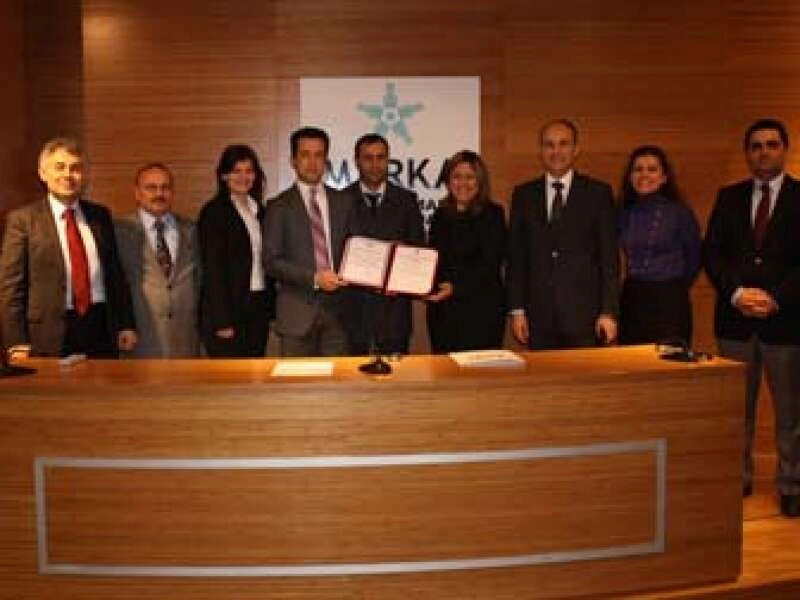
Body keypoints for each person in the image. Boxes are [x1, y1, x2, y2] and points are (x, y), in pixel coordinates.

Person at [704, 118, 800, 517]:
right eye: (756, 146)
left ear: (784, 149)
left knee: (790, 412)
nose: (764, 152)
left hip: (786, 324)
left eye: (771, 144)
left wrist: (775, 299)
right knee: (735, 410)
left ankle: (792, 484)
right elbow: (712, 254)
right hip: (735, 322)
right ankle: (737, 478)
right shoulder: (729, 197)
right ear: (748, 153)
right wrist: (738, 294)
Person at [0, 137, 136, 357]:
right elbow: (10, 287)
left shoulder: (100, 216)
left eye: (75, 168)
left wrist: (125, 324)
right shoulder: (22, 220)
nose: (68, 175)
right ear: (43, 174)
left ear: (84, 175)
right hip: (47, 333)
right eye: (59, 167)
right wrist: (16, 341)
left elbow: (115, 275)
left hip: (100, 327)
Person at [508, 119, 619, 350]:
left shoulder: (598, 193)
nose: (556, 151)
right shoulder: (523, 195)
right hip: (538, 318)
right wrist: (517, 311)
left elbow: (609, 258)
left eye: (563, 144)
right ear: (541, 150)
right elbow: (517, 258)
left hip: (585, 318)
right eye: (549, 145)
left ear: (576, 149)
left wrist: (608, 311)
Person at [263, 126, 356, 356]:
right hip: (296, 316)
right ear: (293, 160)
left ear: (326, 160)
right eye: (305, 155)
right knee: (297, 379)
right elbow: (271, 261)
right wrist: (314, 278)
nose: (313, 163)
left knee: (339, 378)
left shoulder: (344, 202)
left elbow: (356, 249)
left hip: (339, 316)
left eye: (319, 155)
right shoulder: (278, 206)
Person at [342, 133, 425, 355]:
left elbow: (420, 250)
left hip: (394, 314)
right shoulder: (340, 200)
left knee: (397, 376)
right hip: (353, 312)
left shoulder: (407, 201)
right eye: (368, 158)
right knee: (352, 375)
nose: (375, 164)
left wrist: (404, 255)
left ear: (388, 160)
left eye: (381, 157)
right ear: (357, 161)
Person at [617, 146, 701, 345]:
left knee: (668, 360)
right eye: (638, 169)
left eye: (652, 169)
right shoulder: (622, 212)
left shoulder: (680, 213)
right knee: (630, 359)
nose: (644, 175)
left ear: (664, 177)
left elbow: (694, 258)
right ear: (630, 177)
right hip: (632, 298)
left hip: (669, 302)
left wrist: (673, 287)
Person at [115, 163, 201, 357]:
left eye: (165, 187)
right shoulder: (119, 232)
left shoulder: (192, 229)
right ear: (137, 193)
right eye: (151, 188)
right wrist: (122, 326)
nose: (159, 193)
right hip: (140, 338)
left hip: (186, 339)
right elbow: (115, 284)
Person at [197, 145, 274, 357]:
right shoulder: (214, 212)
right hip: (228, 310)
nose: (243, 177)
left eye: (249, 171)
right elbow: (213, 270)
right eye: (236, 171)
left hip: (258, 305)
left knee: (256, 370)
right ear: (224, 176)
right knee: (231, 373)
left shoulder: (261, 211)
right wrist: (222, 320)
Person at [426, 150, 507, 353]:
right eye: (457, 176)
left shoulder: (493, 215)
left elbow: (489, 264)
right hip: (443, 313)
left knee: (478, 371)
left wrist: (455, 287)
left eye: (470, 177)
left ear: (480, 181)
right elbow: (432, 260)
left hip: (481, 313)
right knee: (444, 370)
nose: (463, 183)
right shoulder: (440, 215)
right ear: (448, 180)